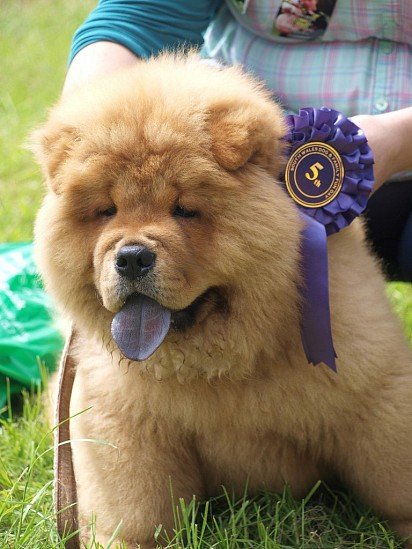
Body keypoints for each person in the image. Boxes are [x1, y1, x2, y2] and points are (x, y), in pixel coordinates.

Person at [63, 0, 412, 280]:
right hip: (258, 173)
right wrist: (87, 125)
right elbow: (141, 16)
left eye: (182, 210)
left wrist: (399, 139)